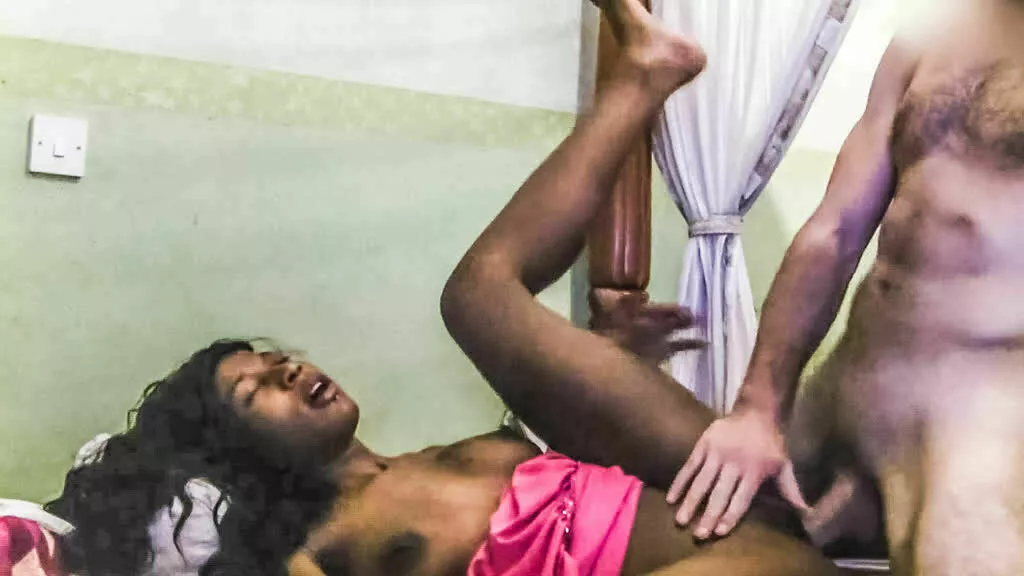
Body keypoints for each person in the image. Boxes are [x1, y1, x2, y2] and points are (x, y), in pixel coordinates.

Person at [47, 1, 839, 574]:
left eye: (272, 360)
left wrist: (604, 360)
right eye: (255, 394)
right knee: (473, 297)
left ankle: (644, 71)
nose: (285, 371)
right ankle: (640, 74)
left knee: (481, 301)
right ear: (240, 455)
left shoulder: (436, 454)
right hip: (752, 563)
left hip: (747, 503)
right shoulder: (315, 549)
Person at [670, 1, 1024, 574]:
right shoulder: (932, 34)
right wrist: (759, 409)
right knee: (689, 514)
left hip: (980, 407)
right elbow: (834, 229)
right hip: (849, 386)